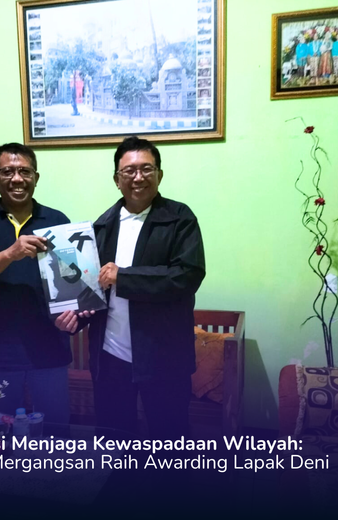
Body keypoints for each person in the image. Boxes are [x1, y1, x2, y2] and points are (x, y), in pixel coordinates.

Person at [56, 136, 206, 439]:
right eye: (129, 171)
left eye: (146, 169)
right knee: (114, 439)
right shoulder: (100, 227)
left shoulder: (180, 219)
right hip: (110, 357)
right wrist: (74, 316)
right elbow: (91, 290)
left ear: (159, 174)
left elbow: (187, 276)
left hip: (163, 357)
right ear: (117, 179)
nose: (138, 177)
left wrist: (123, 277)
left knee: (169, 440)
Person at [0, 143, 72, 422]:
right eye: (7, 172)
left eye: (25, 172)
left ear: (36, 178)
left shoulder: (57, 220)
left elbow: (71, 280)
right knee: (0, 432)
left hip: (50, 347)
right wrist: (10, 253)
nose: (17, 179)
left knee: (54, 433)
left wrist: (76, 312)